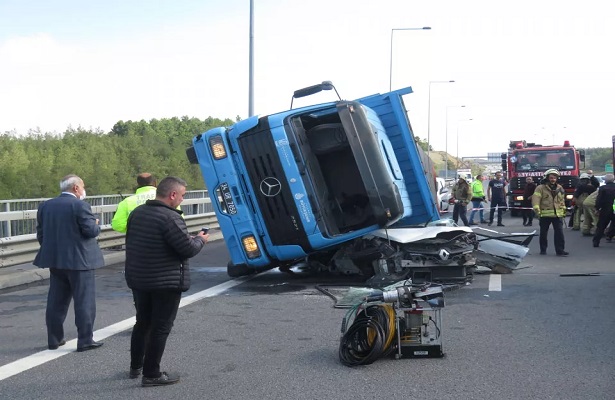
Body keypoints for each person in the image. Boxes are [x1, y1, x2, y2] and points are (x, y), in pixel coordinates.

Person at [125, 176, 209, 387]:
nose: (181, 199)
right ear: (172, 194)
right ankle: (152, 374)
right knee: (161, 327)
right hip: (166, 282)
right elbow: (187, 249)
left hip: (140, 279)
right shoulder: (170, 218)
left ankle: (136, 367)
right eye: (181, 195)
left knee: (142, 323)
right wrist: (200, 239)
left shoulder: (137, 213)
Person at [33, 174, 105, 351]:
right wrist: (96, 224)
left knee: (56, 301)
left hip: (55, 260)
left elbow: (41, 234)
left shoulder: (46, 206)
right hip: (80, 261)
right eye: (82, 187)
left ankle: (54, 339)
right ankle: (85, 340)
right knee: (84, 301)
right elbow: (90, 231)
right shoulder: (80, 205)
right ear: (75, 188)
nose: (83, 190)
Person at [532, 169, 568, 256]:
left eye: (555, 178)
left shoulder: (560, 188)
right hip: (545, 214)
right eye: (551, 178)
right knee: (544, 233)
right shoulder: (540, 188)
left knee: (559, 233)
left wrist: (563, 209)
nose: (553, 179)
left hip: (557, 215)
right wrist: (537, 211)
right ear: (547, 178)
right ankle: (543, 250)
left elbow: (562, 200)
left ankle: (560, 251)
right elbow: (536, 200)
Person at [592, 174, 615, 247]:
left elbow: (599, 200)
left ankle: (596, 241)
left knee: (601, 226)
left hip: (605, 209)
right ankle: (610, 235)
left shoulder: (602, 188)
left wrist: (597, 208)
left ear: (605, 181)